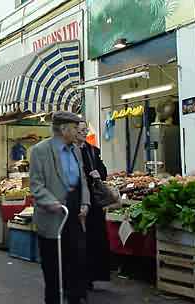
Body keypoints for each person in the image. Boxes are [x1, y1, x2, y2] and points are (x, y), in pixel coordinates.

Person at [30, 111, 91, 304]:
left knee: (77, 263)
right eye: (74, 128)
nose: (77, 132)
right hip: (54, 215)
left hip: (74, 213)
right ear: (63, 129)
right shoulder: (40, 150)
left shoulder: (76, 150)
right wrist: (51, 202)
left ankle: (74, 299)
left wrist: (85, 202)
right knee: (53, 268)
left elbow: (82, 179)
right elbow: (36, 185)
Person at [76, 120, 110, 289]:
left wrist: (99, 173)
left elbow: (104, 171)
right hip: (78, 200)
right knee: (80, 240)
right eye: (81, 130)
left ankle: (91, 276)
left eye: (85, 130)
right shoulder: (69, 151)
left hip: (94, 202)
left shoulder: (92, 151)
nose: (84, 133)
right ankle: (79, 277)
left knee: (94, 238)